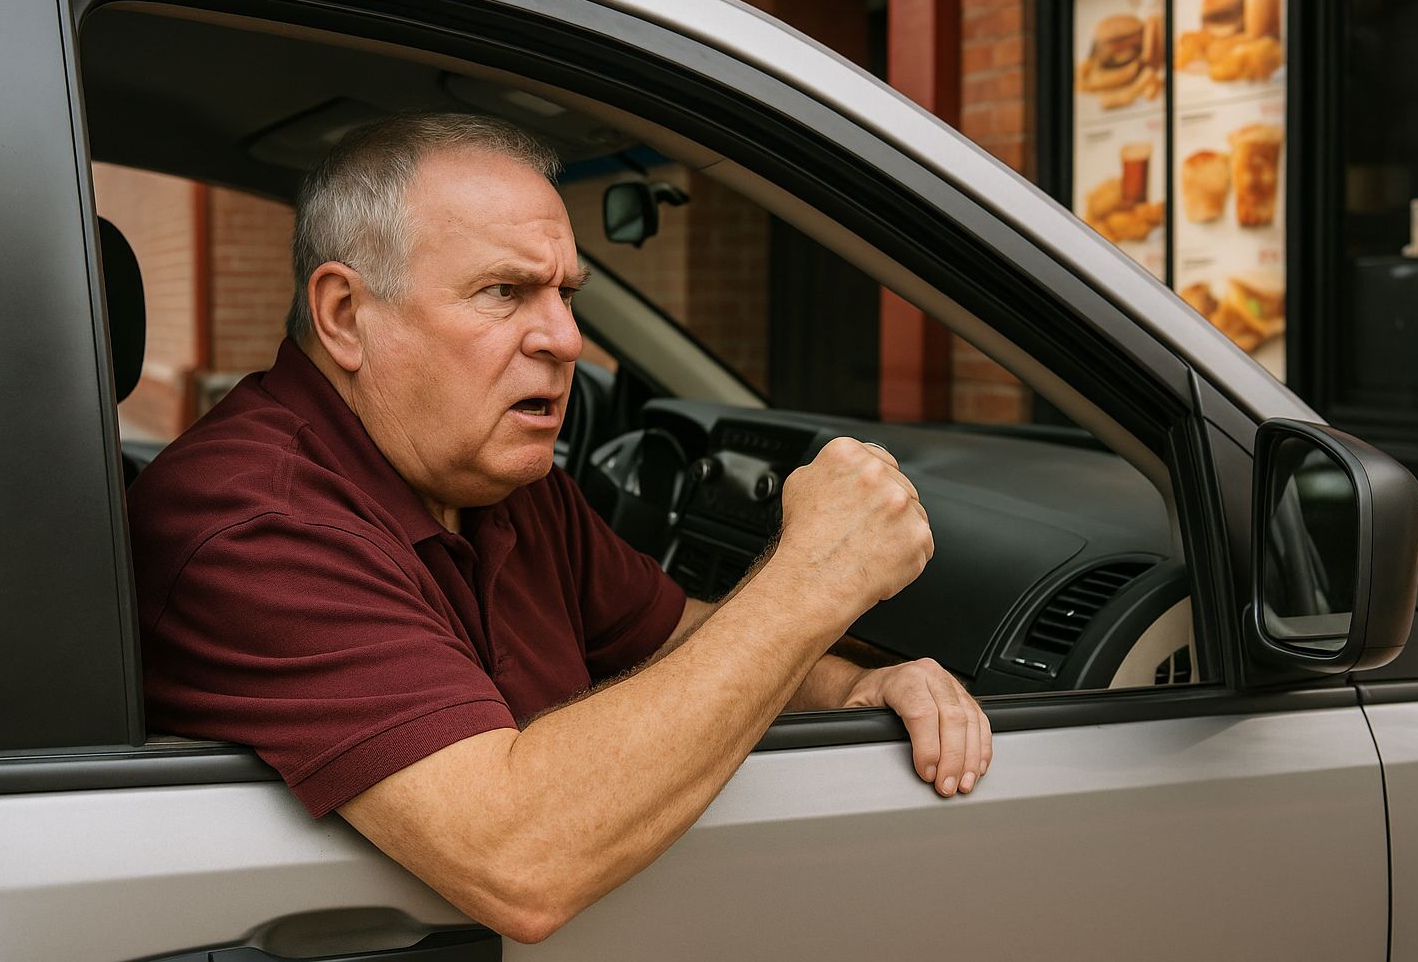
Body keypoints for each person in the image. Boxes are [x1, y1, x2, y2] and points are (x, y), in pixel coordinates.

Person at [129, 112, 992, 944]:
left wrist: (846, 688)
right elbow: (521, 860)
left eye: (566, 294)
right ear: (346, 315)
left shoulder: (501, 483)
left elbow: (677, 640)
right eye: (504, 292)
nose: (568, 338)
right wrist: (815, 581)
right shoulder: (251, 520)